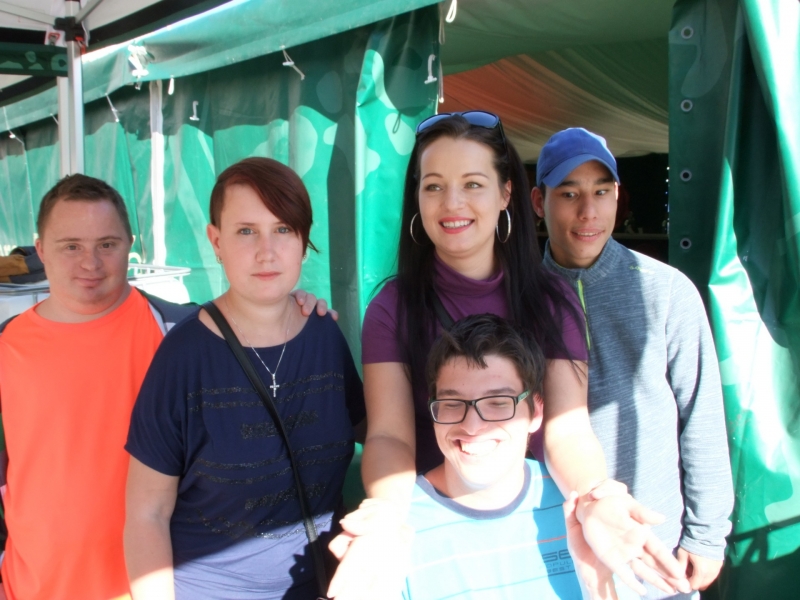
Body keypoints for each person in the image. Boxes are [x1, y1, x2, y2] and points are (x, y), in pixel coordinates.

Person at [328, 113, 688, 599]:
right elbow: (389, 435)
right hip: (439, 533)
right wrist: (389, 517)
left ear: (505, 194)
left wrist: (593, 498)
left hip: (541, 525)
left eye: (472, 184)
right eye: (434, 186)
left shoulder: (553, 301)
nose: (452, 203)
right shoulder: (391, 308)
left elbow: (568, 429)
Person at [0, 173, 327, 600]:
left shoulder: (182, 332)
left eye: (107, 244)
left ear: (131, 245)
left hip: (156, 586)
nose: (90, 263)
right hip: (32, 586)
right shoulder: (7, 343)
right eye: (71, 246)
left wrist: (295, 305)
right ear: (40, 249)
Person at [124, 157, 366, 599]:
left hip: (322, 583)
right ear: (216, 241)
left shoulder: (325, 336)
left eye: (283, 229)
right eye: (246, 231)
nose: (266, 251)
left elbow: (378, 434)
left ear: (303, 239)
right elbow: (147, 514)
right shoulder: (183, 356)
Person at [531, 127, 734, 598]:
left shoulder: (666, 290)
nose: (588, 212)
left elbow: (701, 415)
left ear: (618, 196)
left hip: (655, 546)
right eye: (570, 194)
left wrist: (707, 534)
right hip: (551, 548)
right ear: (539, 202)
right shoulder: (519, 294)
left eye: (602, 192)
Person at [401, 313, 589, 599]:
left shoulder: (580, 503)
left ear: (536, 413)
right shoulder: (396, 524)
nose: (472, 426)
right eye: (452, 403)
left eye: (498, 403)